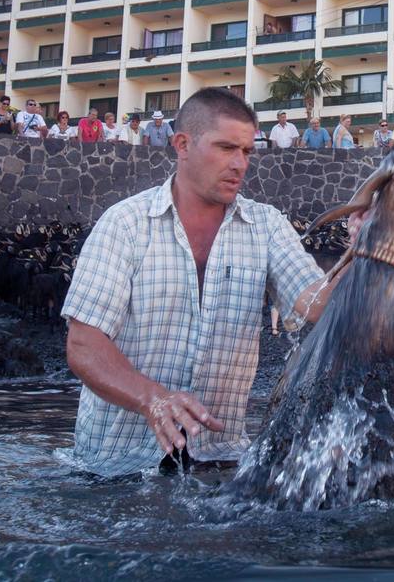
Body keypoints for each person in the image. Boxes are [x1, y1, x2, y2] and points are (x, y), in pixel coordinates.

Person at [61, 87, 346, 473]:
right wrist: (153, 399)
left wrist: (371, 248)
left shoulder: (266, 226)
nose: (240, 164)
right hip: (113, 467)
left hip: (219, 461)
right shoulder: (125, 224)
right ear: (182, 144)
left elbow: (316, 303)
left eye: (247, 151)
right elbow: (84, 344)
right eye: (227, 147)